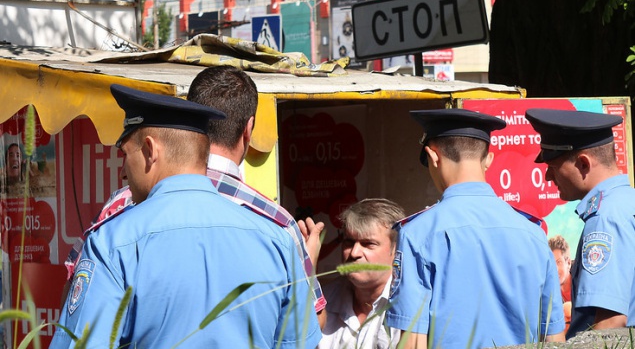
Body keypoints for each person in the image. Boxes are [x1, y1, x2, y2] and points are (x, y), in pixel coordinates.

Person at [51, 84, 321, 348]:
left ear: (149, 150)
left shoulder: (113, 241)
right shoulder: (276, 238)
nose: (123, 171)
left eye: (125, 154)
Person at [386, 108, 565, 349]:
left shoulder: (418, 234)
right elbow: (554, 338)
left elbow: (413, 342)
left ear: (433, 156)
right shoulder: (533, 233)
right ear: (488, 160)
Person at [526, 108, 635, 338]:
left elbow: (609, 326)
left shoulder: (605, 219)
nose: (547, 177)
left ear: (584, 164)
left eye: (553, 167)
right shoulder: (627, 203)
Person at [319, 198, 405, 348]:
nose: (354, 252)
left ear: (396, 250)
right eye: (349, 242)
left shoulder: (410, 306)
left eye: (368, 244)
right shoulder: (323, 301)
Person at [549, 234, 573, 333]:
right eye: (550, 263)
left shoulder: (583, 284)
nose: (554, 269)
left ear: (568, 263)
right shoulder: (549, 293)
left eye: (558, 263)